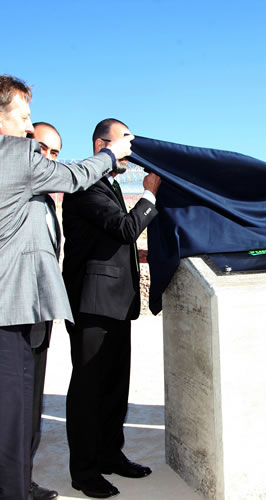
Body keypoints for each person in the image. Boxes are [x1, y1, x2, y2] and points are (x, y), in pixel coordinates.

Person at [0, 75, 133, 500]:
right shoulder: (17, 157)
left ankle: (19, 482)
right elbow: (78, 181)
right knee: (14, 410)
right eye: (24, 118)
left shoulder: (30, 186)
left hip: (33, 307)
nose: (28, 129)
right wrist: (113, 156)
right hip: (15, 305)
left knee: (25, 409)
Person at [62, 119, 162, 498]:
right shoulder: (84, 182)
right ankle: (83, 471)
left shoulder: (110, 185)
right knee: (88, 390)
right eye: (125, 144)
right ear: (102, 144)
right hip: (92, 306)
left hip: (118, 305)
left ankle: (109, 456)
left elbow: (109, 239)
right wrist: (150, 194)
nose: (131, 154)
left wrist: (139, 255)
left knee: (114, 388)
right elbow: (123, 227)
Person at [29, 122, 64, 500]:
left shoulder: (45, 202)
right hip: (15, 314)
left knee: (31, 400)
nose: (48, 158)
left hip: (40, 315)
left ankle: (21, 477)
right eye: (42, 149)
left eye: (55, 153)